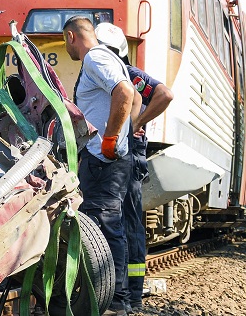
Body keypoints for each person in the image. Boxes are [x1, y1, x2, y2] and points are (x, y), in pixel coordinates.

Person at [96, 22, 174, 312]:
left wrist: (137, 123)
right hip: (115, 152)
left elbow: (165, 94)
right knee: (120, 220)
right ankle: (122, 292)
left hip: (127, 152)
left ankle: (131, 294)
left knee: (127, 220)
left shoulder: (128, 75)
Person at [62, 16, 134, 315]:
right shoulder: (107, 57)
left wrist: (111, 138)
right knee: (106, 226)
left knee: (104, 226)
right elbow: (135, 95)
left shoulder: (94, 58)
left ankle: (115, 303)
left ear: (70, 37)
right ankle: (114, 300)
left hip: (104, 161)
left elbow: (126, 92)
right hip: (104, 159)